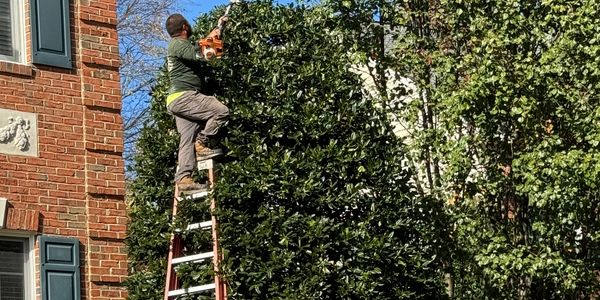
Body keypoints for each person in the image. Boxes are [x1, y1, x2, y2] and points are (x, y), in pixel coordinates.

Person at [164, 13, 230, 191]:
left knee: (187, 140)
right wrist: (212, 46)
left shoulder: (178, 45)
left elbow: (205, 44)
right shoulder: (178, 45)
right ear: (185, 26)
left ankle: (184, 178)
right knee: (221, 111)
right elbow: (203, 52)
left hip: (176, 100)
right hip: (185, 96)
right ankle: (202, 143)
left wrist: (219, 28)